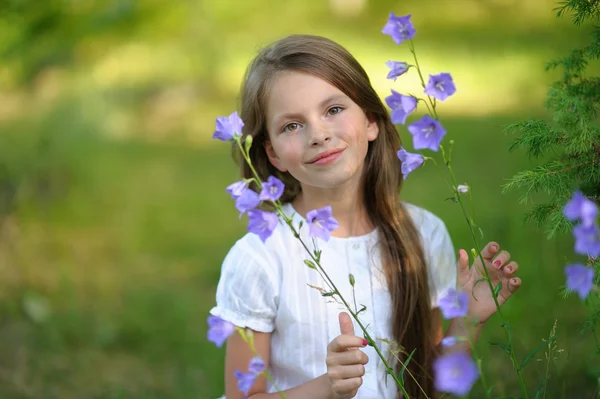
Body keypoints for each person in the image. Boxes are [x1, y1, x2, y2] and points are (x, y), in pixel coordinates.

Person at [209, 34, 522, 399]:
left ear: (371, 121)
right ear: (273, 153)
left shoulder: (423, 234)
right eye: (291, 125)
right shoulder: (260, 258)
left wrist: (468, 322)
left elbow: (425, 384)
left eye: (333, 110)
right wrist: (328, 386)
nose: (318, 134)